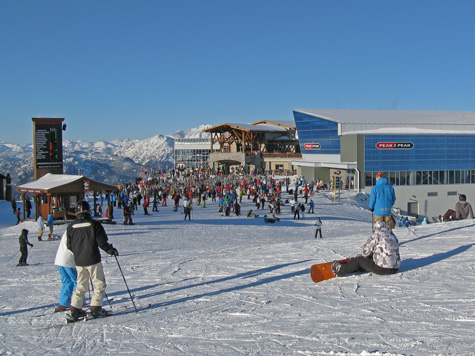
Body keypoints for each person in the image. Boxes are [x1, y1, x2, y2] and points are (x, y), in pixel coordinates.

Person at [66, 201, 118, 321]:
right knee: (98, 284)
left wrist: (78, 253)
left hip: (79, 261)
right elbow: (102, 242)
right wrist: (111, 250)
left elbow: (69, 245)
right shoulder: (94, 224)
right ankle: (95, 308)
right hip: (93, 259)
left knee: (81, 285)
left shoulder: (71, 226)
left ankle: (75, 309)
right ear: (88, 211)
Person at [332, 221, 400, 277]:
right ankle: (361, 267)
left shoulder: (376, 235)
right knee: (374, 256)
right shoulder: (392, 235)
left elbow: (365, 252)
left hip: (383, 269)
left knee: (359, 260)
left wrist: (363, 256)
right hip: (395, 268)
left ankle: (340, 270)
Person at [54, 231, 77, 312]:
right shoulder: (76, 231)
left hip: (60, 260)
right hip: (69, 260)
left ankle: (64, 304)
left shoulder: (69, 230)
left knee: (67, 281)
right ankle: (77, 302)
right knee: (76, 281)